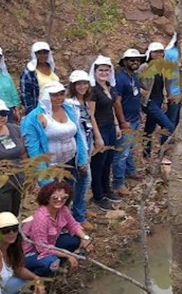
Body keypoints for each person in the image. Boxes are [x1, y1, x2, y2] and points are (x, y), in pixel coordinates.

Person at [21, 82, 89, 223]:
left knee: (70, 192)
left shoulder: (69, 110)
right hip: (51, 166)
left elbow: (78, 135)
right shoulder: (34, 118)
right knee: (54, 197)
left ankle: (72, 220)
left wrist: (82, 158)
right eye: (54, 95)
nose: (59, 98)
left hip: (71, 160)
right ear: (46, 96)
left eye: (61, 94)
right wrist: (44, 176)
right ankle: (53, 225)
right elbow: (34, 149)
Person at [22, 181, 92, 277]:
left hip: (51, 244)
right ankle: (36, 277)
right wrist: (68, 254)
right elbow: (42, 248)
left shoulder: (63, 210)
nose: (59, 200)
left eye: (64, 198)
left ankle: (59, 263)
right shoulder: (41, 218)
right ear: (47, 198)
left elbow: (73, 225)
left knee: (74, 240)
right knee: (51, 262)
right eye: (55, 198)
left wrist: (85, 238)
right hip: (32, 252)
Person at [0, 211, 45, 294]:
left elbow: (17, 269)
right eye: (6, 230)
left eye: (14, 229)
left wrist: (37, 279)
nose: (11, 233)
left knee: (24, 281)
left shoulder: (8, 250)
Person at [88, 56, 125, 211]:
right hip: (100, 128)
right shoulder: (93, 90)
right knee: (98, 163)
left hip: (110, 127)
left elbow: (111, 108)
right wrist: (97, 136)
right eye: (100, 70)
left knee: (108, 161)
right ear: (95, 72)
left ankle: (106, 189)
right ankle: (98, 195)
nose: (104, 73)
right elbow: (91, 114)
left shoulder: (109, 87)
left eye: (106, 70)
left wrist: (116, 125)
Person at [113, 49, 145, 195]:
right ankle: (118, 183)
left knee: (130, 148)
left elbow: (135, 97)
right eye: (132, 60)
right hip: (126, 121)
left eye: (137, 60)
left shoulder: (134, 77)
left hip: (134, 118)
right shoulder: (120, 79)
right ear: (125, 62)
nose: (135, 62)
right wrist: (122, 121)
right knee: (122, 153)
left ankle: (130, 171)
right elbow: (117, 102)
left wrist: (139, 113)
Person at [65, 70, 94, 230]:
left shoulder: (85, 102)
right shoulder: (69, 104)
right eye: (79, 84)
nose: (82, 87)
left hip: (87, 141)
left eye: (85, 83)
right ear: (73, 86)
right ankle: (78, 216)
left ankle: (79, 211)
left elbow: (89, 122)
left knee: (82, 181)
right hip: (77, 146)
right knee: (82, 180)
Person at [140, 43, 175, 159]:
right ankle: (163, 152)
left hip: (158, 99)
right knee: (169, 126)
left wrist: (165, 100)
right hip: (149, 101)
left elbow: (163, 85)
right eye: (156, 52)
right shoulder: (144, 67)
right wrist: (141, 91)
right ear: (150, 53)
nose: (159, 54)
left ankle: (146, 155)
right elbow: (134, 82)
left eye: (161, 52)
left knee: (149, 128)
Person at [20, 42, 60, 115]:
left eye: (45, 53)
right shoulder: (29, 72)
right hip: (39, 108)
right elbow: (25, 94)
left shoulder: (52, 67)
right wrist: (33, 112)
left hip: (55, 107)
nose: (42, 55)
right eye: (39, 53)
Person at [164, 33, 182, 130]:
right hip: (173, 91)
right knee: (171, 120)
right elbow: (166, 75)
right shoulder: (169, 53)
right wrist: (168, 93)